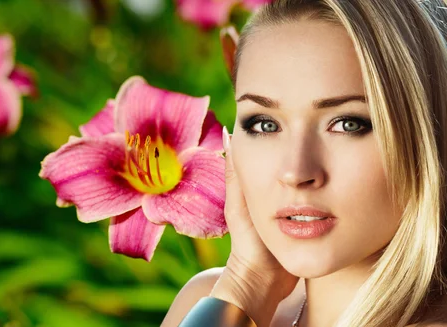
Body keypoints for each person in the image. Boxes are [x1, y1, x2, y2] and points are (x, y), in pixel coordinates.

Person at [161, 0, 447, 326]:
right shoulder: (213, 300)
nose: (295, 173)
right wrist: (246, 284)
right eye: (265, 124)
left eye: (347, 124)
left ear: (425, 134)